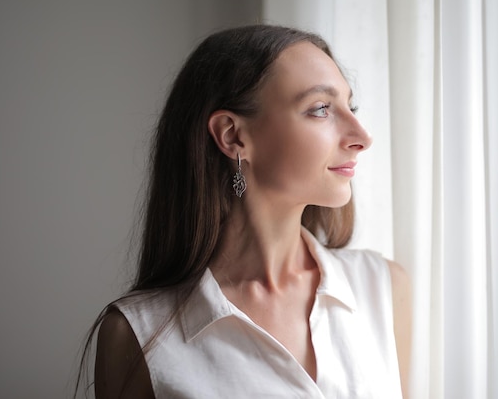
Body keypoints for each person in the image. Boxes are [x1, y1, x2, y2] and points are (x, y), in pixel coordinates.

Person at [79, 24, 411, 398]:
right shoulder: (136, 334)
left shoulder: (383, 289)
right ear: (233, 136)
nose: (362, 137)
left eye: (349, 107)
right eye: (321, 109)